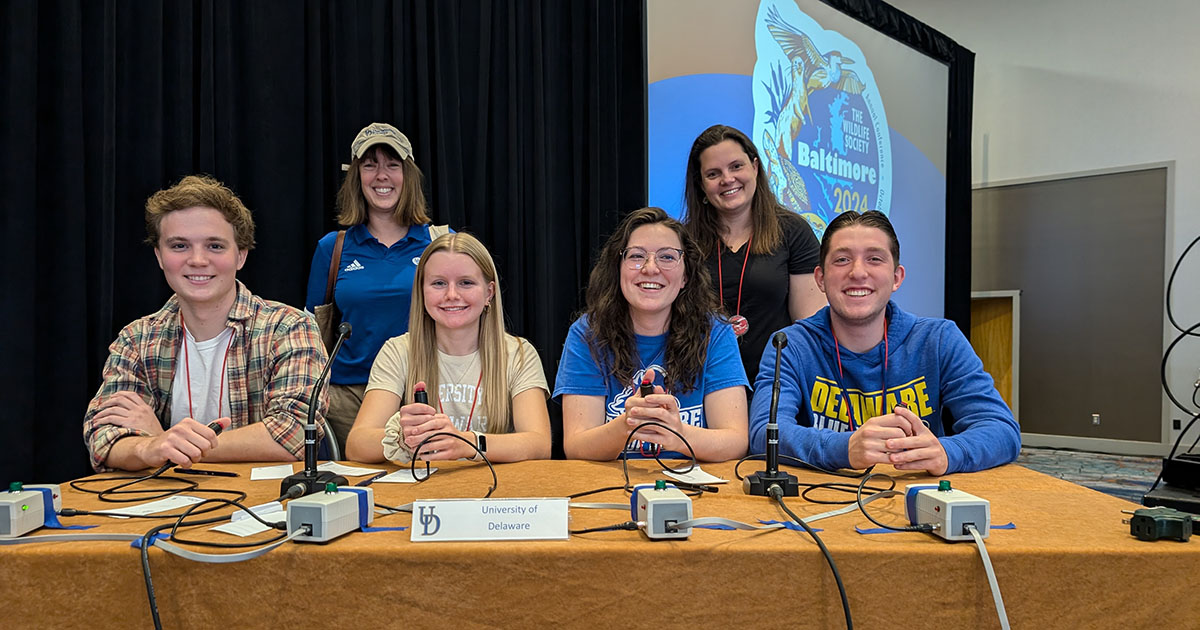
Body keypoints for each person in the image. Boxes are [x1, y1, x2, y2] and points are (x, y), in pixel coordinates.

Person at [83, 175, 327, 472]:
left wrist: (163, 442)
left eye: (214, 246)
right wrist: (149, 447)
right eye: (179, 246)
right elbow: (103, 437)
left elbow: (295, 435)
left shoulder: (289, 328)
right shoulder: (136, 339)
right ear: (159, 256)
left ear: (241, 255)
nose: (197, 260)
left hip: (263, 507)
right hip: (161, 505)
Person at [749, 210, 1020, 475]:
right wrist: (844, 448)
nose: (857, 272)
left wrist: (948, 452)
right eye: (842, 260)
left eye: (874, 259)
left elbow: (1001, 429)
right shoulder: (790, 345)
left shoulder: (939, 340)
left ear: (897, 278)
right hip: (820, 500)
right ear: (820, 278)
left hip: (918, 498)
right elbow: (764, 433)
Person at [555, 207, 749, 462]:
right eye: (636, 256)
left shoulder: (715, 333)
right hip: (609, 488)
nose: (650, 268)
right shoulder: (587, 334)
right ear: (618, 269)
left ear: (685, 276)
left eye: (667, 257)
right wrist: (628, 424)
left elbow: (735, 441)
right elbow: (577, 446)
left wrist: (677, 433)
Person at [305, 123, 449, 454]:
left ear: (408, 175)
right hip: (347, 401)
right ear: (356, 176)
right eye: (370, 165)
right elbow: (311, 332)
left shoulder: (439, 242)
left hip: (421, 392)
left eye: (392, 165)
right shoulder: (333, 248)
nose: (381, 175)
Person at [346, 232, 550, 463]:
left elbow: (540, 445)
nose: (452, 295)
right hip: (421, 489)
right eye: (439, 283)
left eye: (466, 283)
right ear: (421, 292)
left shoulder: (519, 354)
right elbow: (357, 444)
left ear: (489, 293)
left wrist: (467, 444)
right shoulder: (398, 351)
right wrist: (404, 438)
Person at [683, 124, 825, 384]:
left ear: (756, 168)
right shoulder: (683, 241)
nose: (727, 179)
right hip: (702, 383)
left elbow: (809, 327)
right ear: (701, 185)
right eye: (713, 174)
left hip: (776, 383)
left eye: (736, 166)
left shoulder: (793, 231)